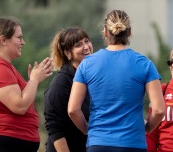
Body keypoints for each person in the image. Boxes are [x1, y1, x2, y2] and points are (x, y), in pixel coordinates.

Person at [68, 9, 165, 152]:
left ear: (105, 32)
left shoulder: (87, 64)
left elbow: (73, 110)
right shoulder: (144, 64)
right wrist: (148, 128)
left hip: (98, 143)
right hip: (133, 143)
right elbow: (159, 109)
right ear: (129, 32)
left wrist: (88, 131)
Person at [0, 16, 53, 152]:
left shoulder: (2, 65)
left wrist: (32, 83)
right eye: (19, 38)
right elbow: (19, 106)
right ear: (3, 40)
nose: (23, 42)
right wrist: (34, 80)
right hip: (1, 143)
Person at [44, 27, 93, 152]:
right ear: (68, 53)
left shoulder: (93, 76)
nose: (86, 46)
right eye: (78, 45)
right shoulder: (61, 82)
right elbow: (54, 126)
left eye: (87, 41)